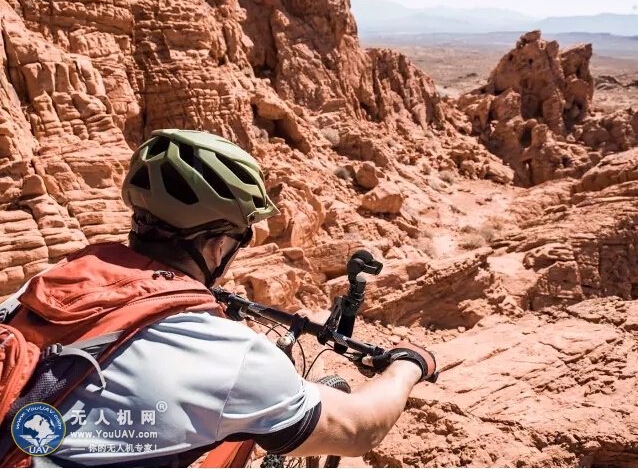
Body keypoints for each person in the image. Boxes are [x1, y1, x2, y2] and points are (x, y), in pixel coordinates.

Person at [1, 129, 437, 467]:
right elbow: (360, 430)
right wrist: (409, 366)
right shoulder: (232, 359)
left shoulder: (40, 287)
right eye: (240, 240)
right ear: (217, 245)